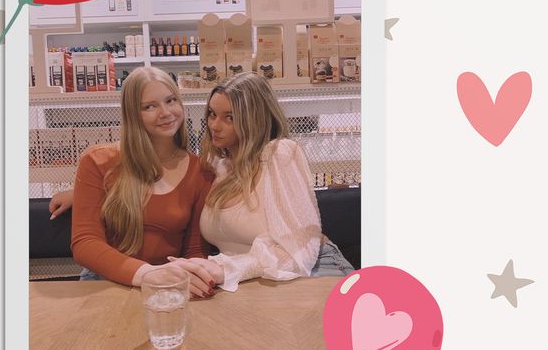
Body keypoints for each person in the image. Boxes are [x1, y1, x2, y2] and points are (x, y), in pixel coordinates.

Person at [166, 72, 355, 291]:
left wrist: (226, 268)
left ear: (254, 119)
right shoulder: (218, 167)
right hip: (256, 281)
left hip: (312, 270)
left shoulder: (279, 153)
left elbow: (297, 251)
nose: (214, 125)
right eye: (212, 114)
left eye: (230, 117)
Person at [66, 66, 215, 298]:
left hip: (169, 284)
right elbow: (85, 243)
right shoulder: (97, 161)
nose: (165, 112)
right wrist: (148, 274)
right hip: (106, 283)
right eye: (149, 106)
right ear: (132, 114)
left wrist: (187, 276)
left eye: (170, 100)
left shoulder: (201, 171)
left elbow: (195, 249)